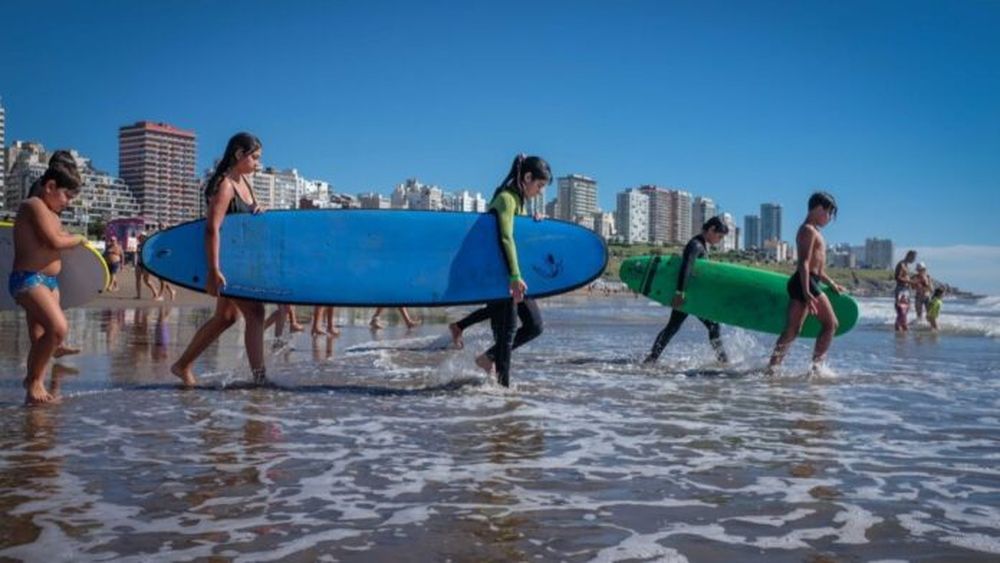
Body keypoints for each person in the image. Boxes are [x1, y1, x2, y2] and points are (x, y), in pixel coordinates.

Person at [170, 132, 267, 387]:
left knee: (226, 318)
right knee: (256, 313)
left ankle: (182, 365)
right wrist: (213, 270)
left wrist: (257, 210)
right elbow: (212, 228)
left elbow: (243, 221)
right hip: (224, 264)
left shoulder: (245, 183)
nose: (257, 163)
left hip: (238, 262)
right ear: (238, 154)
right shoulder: (225, 185)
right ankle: (260, 379)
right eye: (254, 157)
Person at [9, 150, 86, 405]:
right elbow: (54, 241)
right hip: (29, 279)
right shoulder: (33, 205)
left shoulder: (53, 213)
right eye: (67, 195)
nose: (68, 202)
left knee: (43, 335)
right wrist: (79, 239)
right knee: (59, 327)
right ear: (50, 186)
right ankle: (34, 382)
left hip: (49, 282)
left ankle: (32, 381)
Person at [474, 154, 550, 387]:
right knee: (507, 334)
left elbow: (518, 236)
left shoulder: (519, 202)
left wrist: (532, 222)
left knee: (534, 325)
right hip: (500, 275)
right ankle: (503, 394)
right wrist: (515, 277)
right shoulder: (507, 199)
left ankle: (488, 359)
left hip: (510, 275)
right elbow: (505, 238)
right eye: (539, 185)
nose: (539, 192)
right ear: (527, 177)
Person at [768, 192, 845, 373]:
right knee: (831, 324)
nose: (829, 218)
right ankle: (817, 368)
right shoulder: (808, 230)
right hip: (806, 282)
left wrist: (831, 283)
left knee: (794, 329)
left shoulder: (814, 231)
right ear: (818, 208)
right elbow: (803, 263)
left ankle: (772, 368)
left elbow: (817, 268)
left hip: (808, 280)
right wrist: (807, 291)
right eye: (829, 213)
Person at [643, 216, 730, 365]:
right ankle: (723, 361)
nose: (720, 240)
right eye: (719, 236)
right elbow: (687, 267)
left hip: (691, 295)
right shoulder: (696, 245)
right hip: (688, 296)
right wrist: (680, 293)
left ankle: (651, 359)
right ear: (711, 229)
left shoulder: (701, 244)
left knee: (674, 327)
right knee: (712, 326)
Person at [893, 250, 917, 330]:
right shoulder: (901, 264)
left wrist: (912, 281)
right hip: (901, 290)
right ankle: (898, 328)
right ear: (909, 256)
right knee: (901, 311)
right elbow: (897, 277)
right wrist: (910, 281)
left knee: (906, 310)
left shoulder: (906, 265)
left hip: (906, 290)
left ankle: (903, 328)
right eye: (913, 258)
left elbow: (905, 277)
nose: (914, 260)